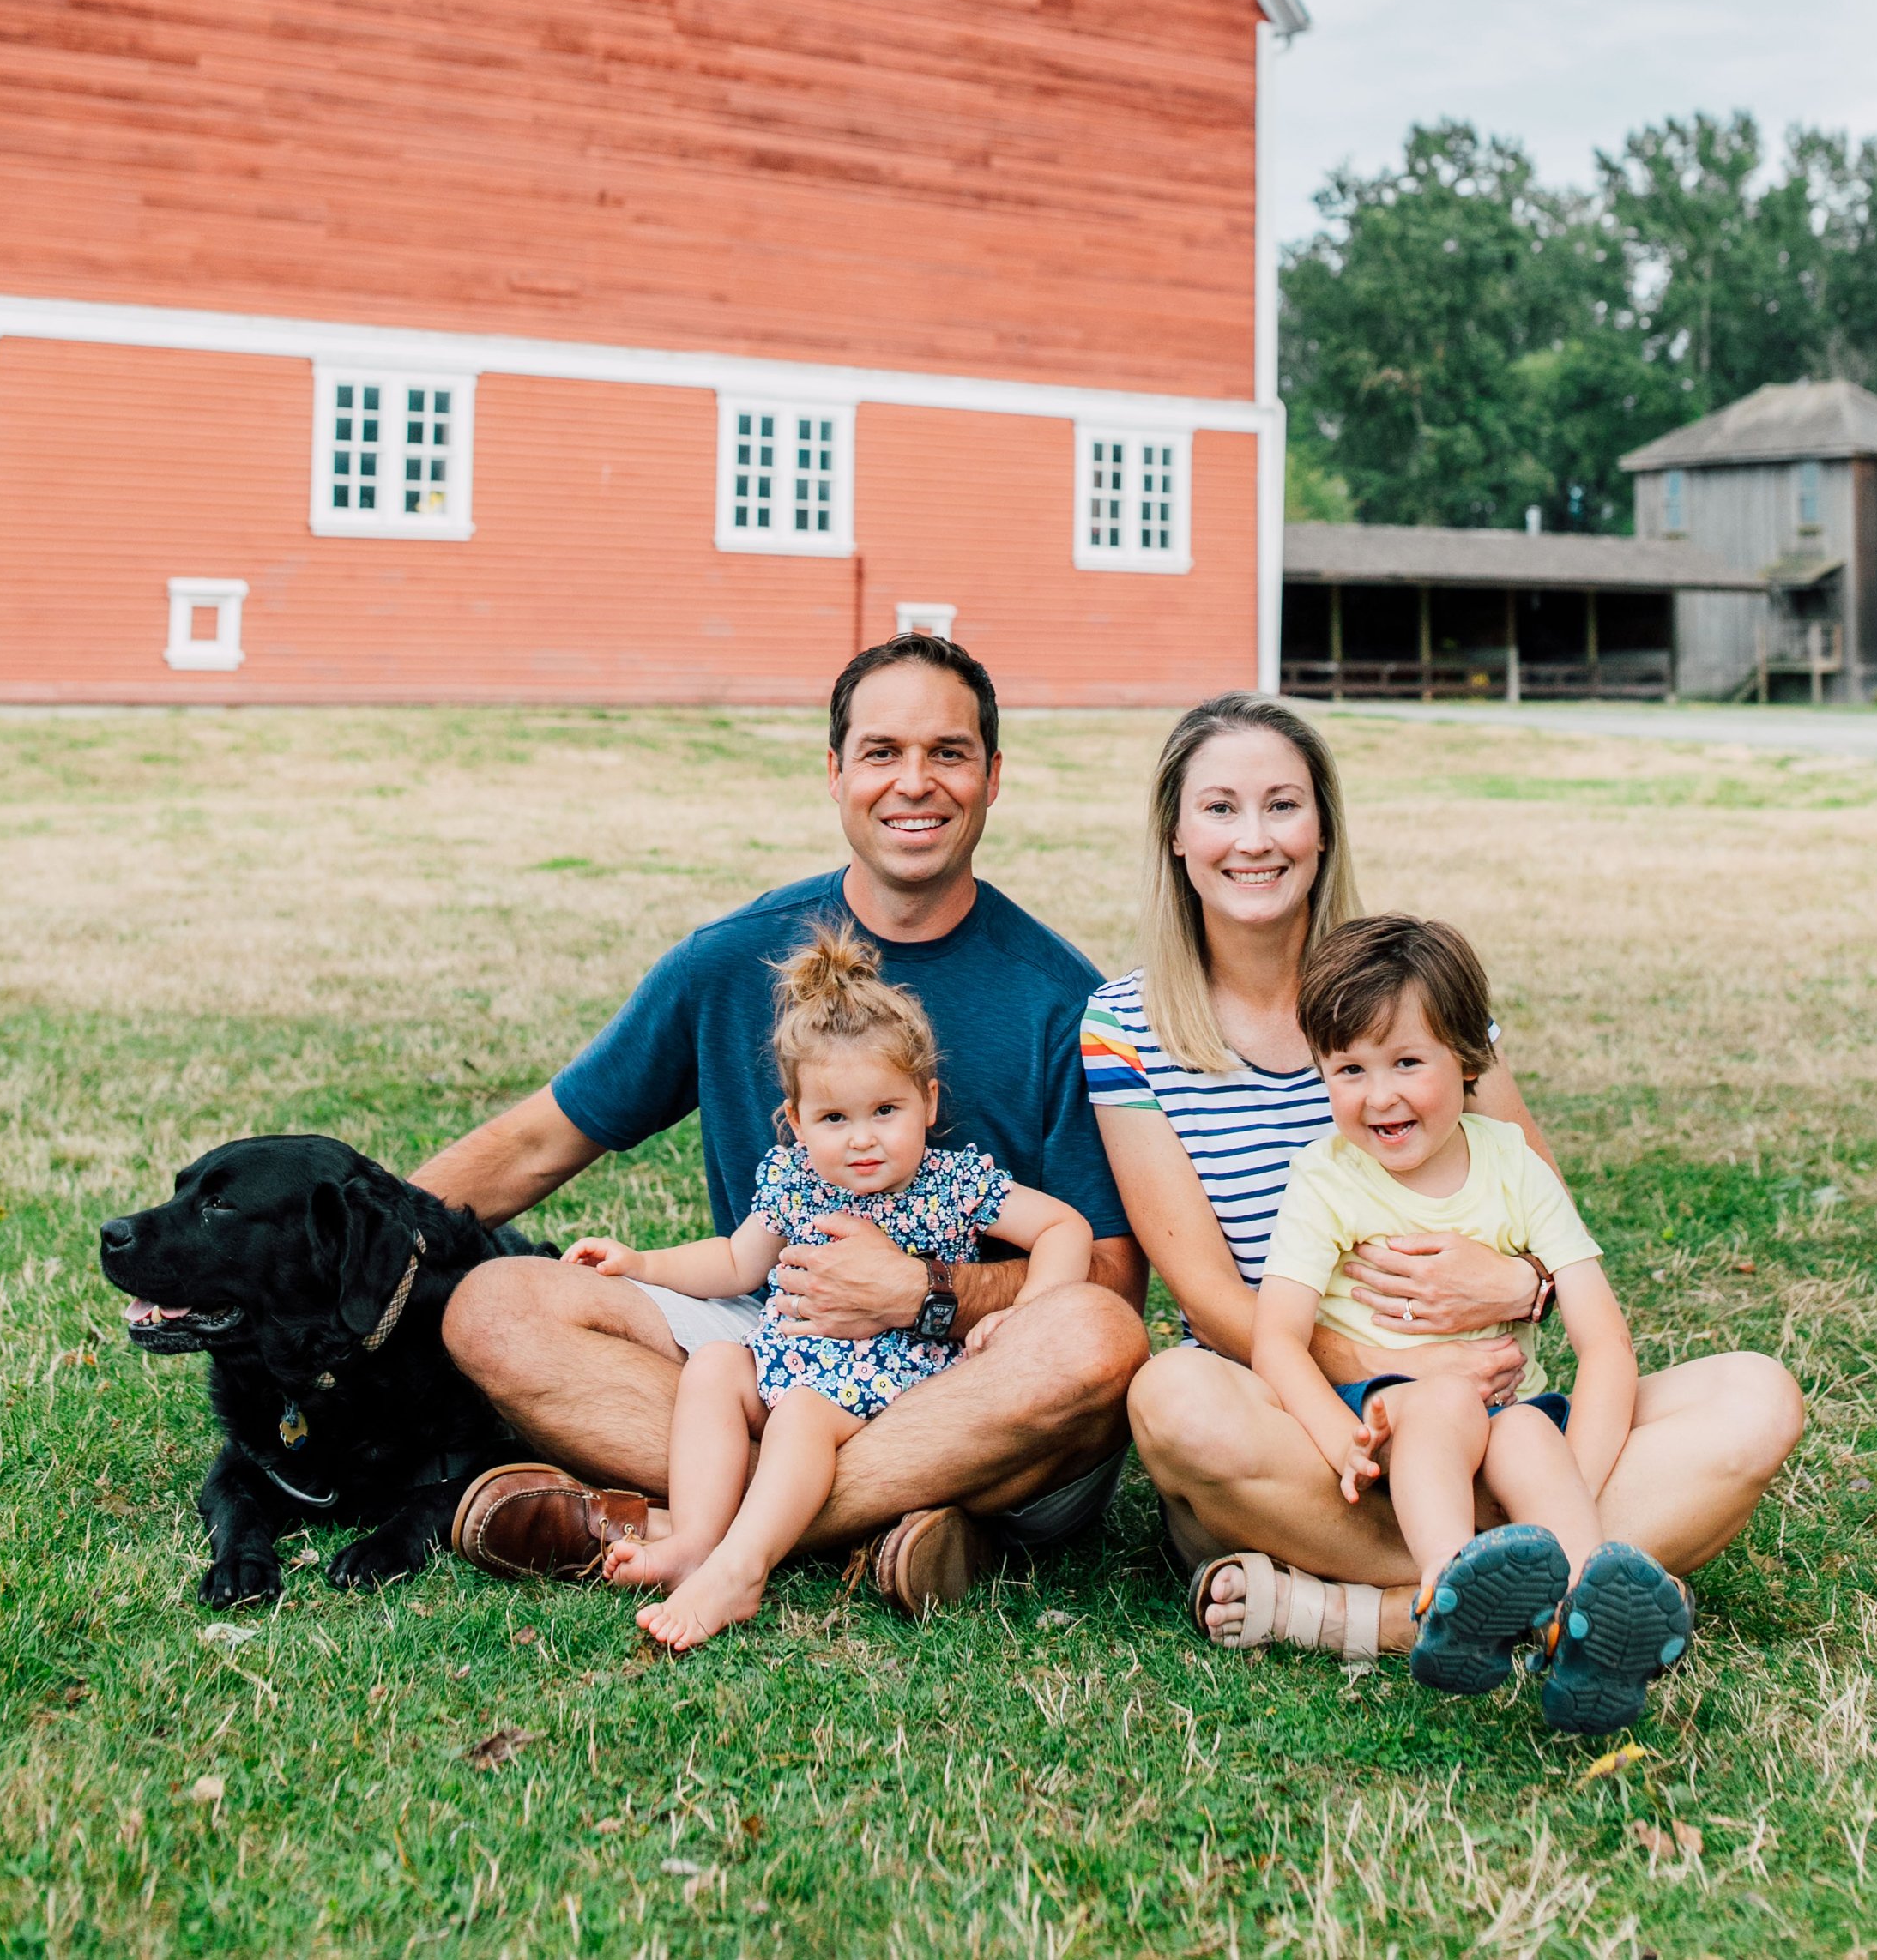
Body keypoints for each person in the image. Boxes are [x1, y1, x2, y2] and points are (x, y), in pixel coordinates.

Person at [426, 634, 1148, 1617]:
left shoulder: (1060, 1002)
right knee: (493, 1308)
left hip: (953, 1372)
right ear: (835, 772)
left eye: (949, 753)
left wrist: (923, 1294)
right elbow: (542, 1141)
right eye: (883, 752)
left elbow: (1105, 1280)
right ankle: (883, 1524)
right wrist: (357, 1240)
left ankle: (707, 1532)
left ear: (992, 777)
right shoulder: (727, 965)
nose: (915, 783)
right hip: (778, 1331)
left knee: (1095, 1342)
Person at [1088, 693, 1805, 1663]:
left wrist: (1515, 1289)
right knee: (1173, 1397)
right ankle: (1538, 1587)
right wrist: (1405, 1382)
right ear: (1174, 834)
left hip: (1505, 1424)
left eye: (1282, 805)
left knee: (1755, 1398)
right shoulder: (1122, 1027)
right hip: (1312, 1431)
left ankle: (1389, 1605)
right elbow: (1214, 1298)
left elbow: (1543, 1219)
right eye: (1219, 808)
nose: (1252, 839)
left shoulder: (1420, 992)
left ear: (1324, 827)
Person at [569, 920, 1093, 1649]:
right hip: (794, 1358)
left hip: (893, 1376)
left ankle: (742, 1568)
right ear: (794, 1121)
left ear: (929, 1103)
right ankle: (693, 1536)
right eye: (834, 1118)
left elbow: (1066, 1228)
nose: (863, 1138)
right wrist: (642, 1263)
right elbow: (734, 1265)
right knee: (720, 1363)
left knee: (802, 1418)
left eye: (886, 1110)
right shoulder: (795, 1181)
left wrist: (1027, 1315)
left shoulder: (956, 1183)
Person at [1255, 912, 1692, 1729]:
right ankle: (1449, 1592)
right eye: (1348, 1068)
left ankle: (1584, 1622)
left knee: (1526, 1433)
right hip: (1391, 1414)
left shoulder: (1514, 1165)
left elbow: (1604, 1343)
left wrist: (1571, 1487)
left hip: (1506, 1418)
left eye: (1407, 1062)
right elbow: (1275, 1335)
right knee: (1447, 1404)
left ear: (1466, 1056)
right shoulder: (1326, 1178)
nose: (1378, 1096)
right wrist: (1335, 1437)